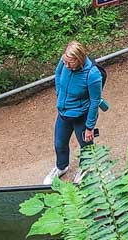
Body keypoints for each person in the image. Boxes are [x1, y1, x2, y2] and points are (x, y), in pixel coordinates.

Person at [43, 40, 102, 185]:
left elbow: (95, 102)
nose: (67, 66)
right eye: (65, 61)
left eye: (71, 63)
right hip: (64, 113)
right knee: (59, 143)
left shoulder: (92, 74)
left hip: (81, 116)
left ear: (80, 59)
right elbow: (57, 75)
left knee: (86, 145)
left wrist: (89, 127)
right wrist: (60, 94)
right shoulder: (64, 62)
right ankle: (61, 167)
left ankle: (85, 168)